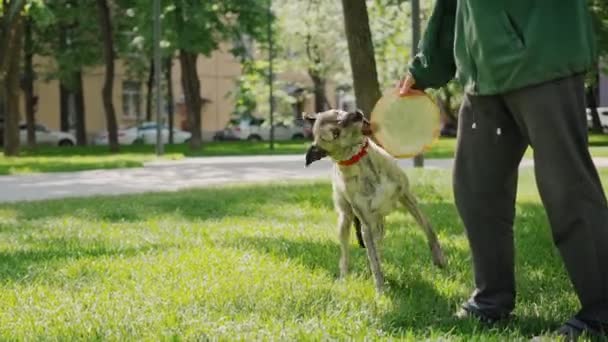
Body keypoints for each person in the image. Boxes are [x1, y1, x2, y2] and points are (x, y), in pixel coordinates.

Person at [399, 1, 608, 339]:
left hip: (542, 55)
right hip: (485, 70)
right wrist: (427, 68)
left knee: (566, 185)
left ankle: (601, 311)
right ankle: (491, 301)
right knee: (475, 188)